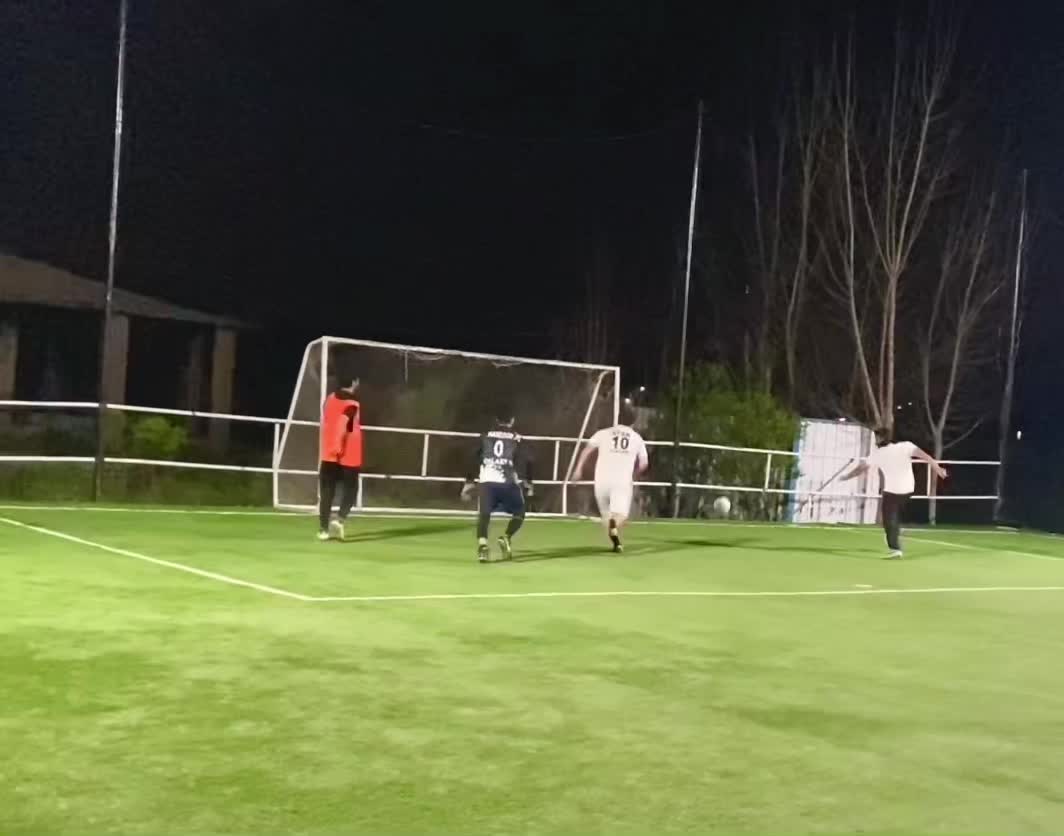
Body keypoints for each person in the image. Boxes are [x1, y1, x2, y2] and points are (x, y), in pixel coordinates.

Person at [841, 427, 947, 559]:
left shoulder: (878, 453)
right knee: (893, 517)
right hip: (908, 489)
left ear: (879, 438)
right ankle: (894, 533)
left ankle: (895, 548)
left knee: (889, 519)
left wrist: (846, 477)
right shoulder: (906, 446)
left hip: (892, 491)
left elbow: (861, 469)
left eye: (876, 437)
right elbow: (927, 457)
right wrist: (938, 469)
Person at [573, 404, 649, 553]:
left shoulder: (603, 433)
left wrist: (578, 470)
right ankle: (614, 527)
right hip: (621, 480)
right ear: (633, 421)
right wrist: (635, 474)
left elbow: (586, 450)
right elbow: (644, 463)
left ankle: (616, 544)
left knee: (606, 517)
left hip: (601, 480)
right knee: (620, 516)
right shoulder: (637, 438)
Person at [461, 410, 533, 563]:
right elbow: (528, 460)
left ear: (496, 420)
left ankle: (483, 546)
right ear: (512, 420)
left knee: (484, 514)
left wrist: (469, 481)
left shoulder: (485, 435)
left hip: (487, 481)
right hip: (508, 482)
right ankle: (506, 537)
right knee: (520, 512)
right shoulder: (516, 437)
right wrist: (528, 481)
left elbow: (472, 457)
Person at [318, 377, 362, 541]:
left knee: (327, 490)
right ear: (354, 382)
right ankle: (340, 518)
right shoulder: (352, 402)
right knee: (351, 488)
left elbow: (330, 419)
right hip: (348, 452)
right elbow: (345, 423)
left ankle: (323, 530)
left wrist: (333, 443)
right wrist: (339, 444)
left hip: (328, 451)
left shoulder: (330, 398)